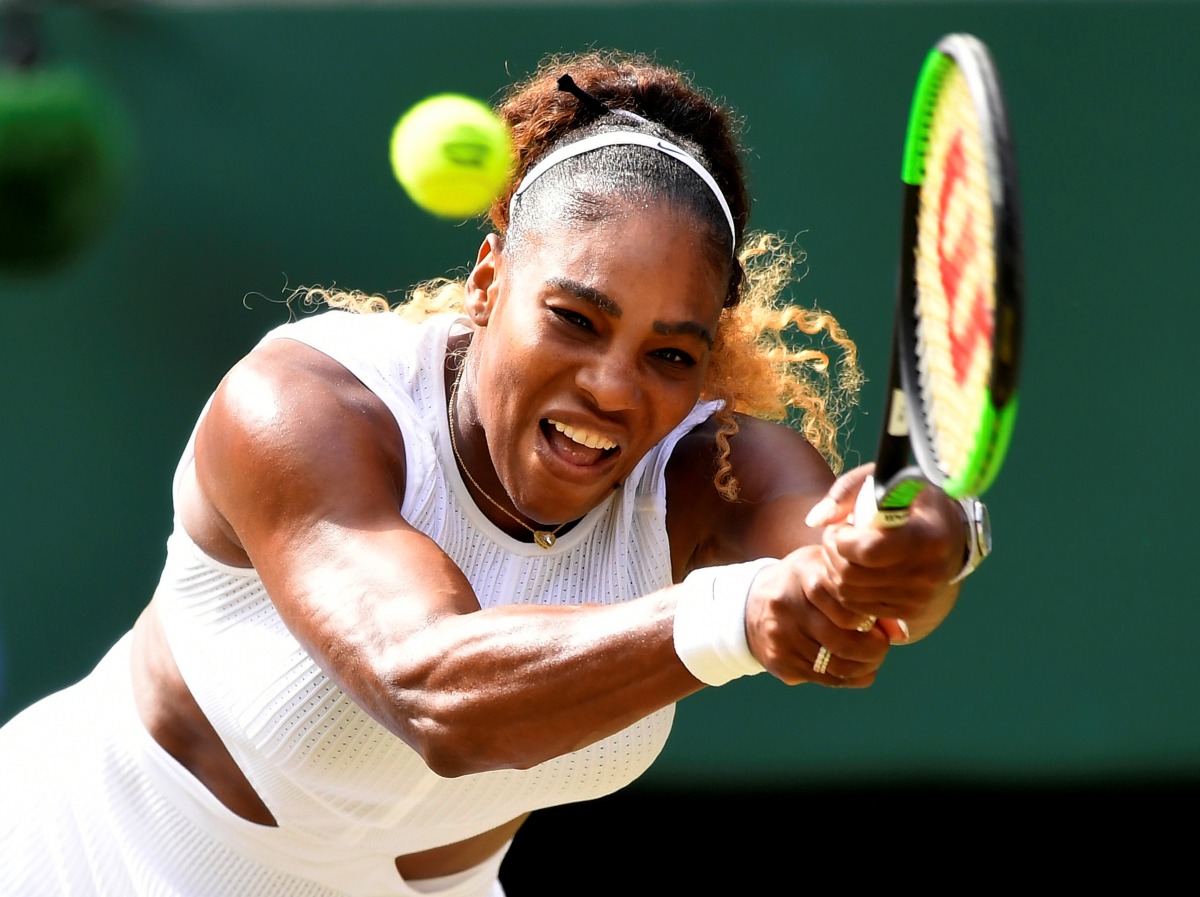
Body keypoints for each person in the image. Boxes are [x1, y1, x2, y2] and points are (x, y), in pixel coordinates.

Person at [0, 49, 984, 897]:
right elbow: (427, 686)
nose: (611, 387)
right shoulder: (302, 408)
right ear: (488, 280)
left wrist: (908, 558)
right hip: (75, 863)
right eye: (576, 319)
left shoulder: (715, 467)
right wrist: (737, 614)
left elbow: (849, 571)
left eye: (670, 355)